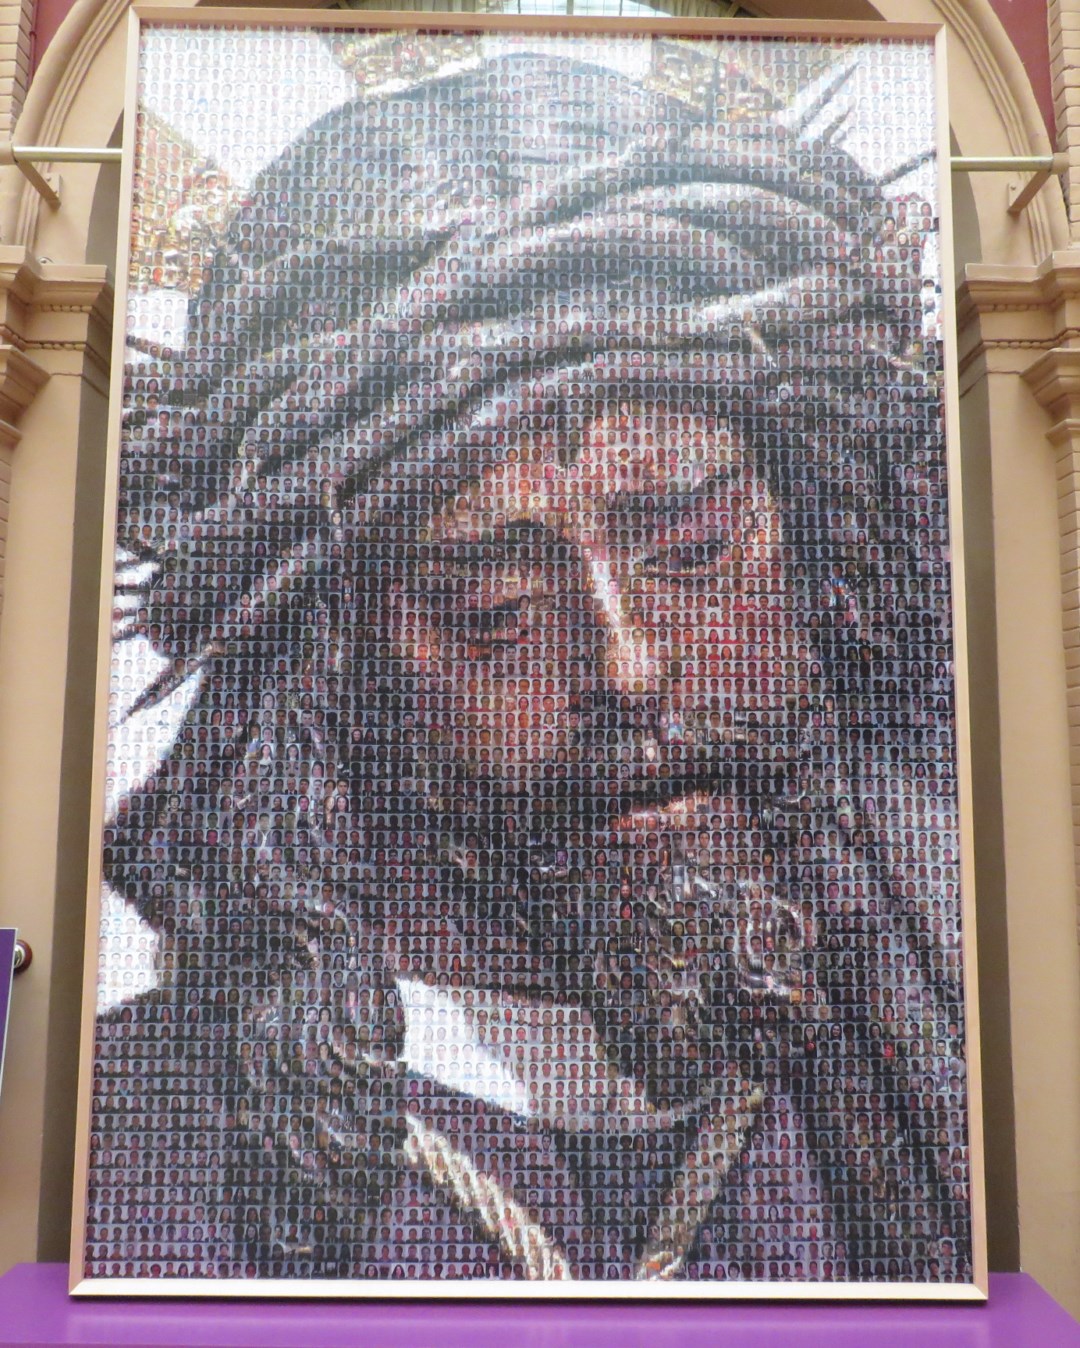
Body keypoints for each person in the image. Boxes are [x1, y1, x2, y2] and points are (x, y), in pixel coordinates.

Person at [85, 35, 973, 1286]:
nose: (628, 665)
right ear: (334, 673)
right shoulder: (128, 1163)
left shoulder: (947, 1040)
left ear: (813, 529)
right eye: (494, 607)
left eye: (694, 551)